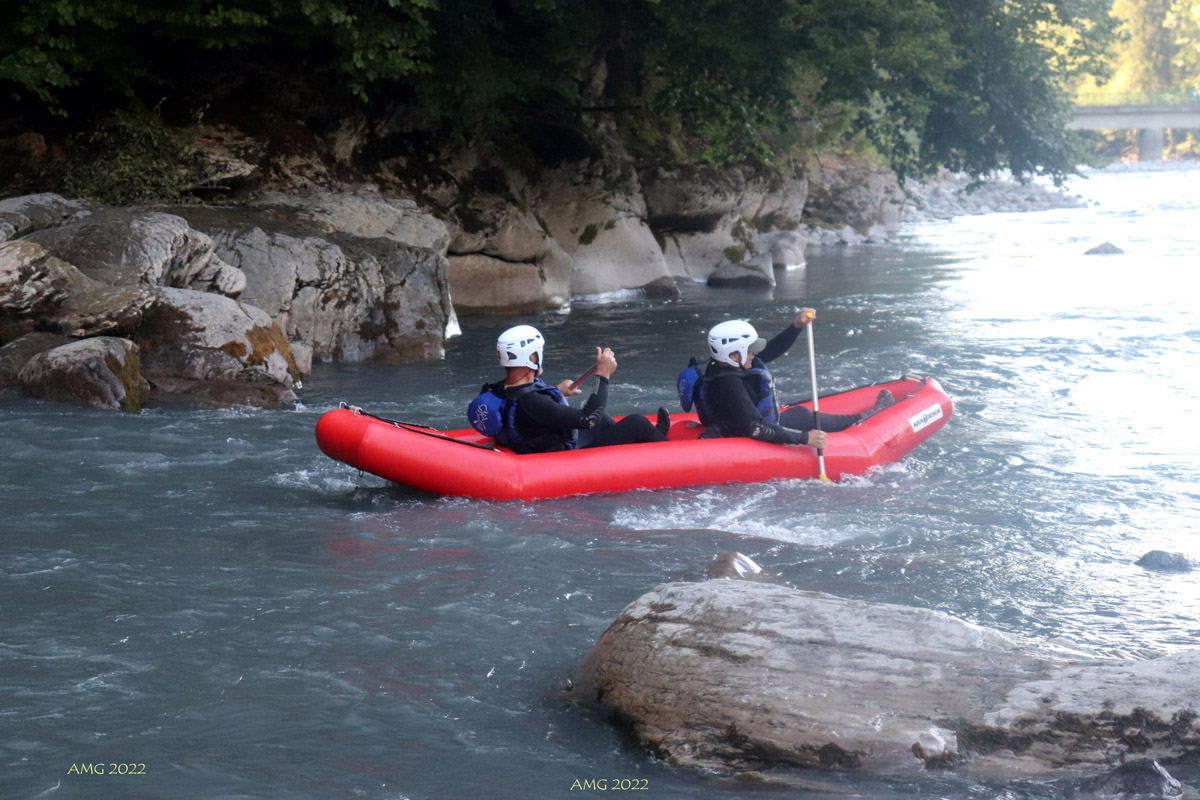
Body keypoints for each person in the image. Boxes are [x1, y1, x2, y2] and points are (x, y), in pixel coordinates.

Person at [678, 309, 893, 449]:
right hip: (742, 436)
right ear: (734, 355)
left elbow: (770, 351)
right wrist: (806, 438)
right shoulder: (729, 386)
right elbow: (756, 428)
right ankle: (865, 418)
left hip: (731, 423)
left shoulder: (720, 365)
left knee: (796, 412)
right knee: (801, 415)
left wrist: (795, 326)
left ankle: (858, 418)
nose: (755, 355)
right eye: (751, 351)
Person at [468, 324, 670, 454]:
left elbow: (525, 405)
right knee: (636, 422)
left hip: (537, 440)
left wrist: (556, 391)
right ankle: (664, 449)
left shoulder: (497, 389)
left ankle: (649, 439)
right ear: (532, 358)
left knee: (605, 418)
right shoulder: (533, 403)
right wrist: (602, 375)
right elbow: (588, 419)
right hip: (563, 458)